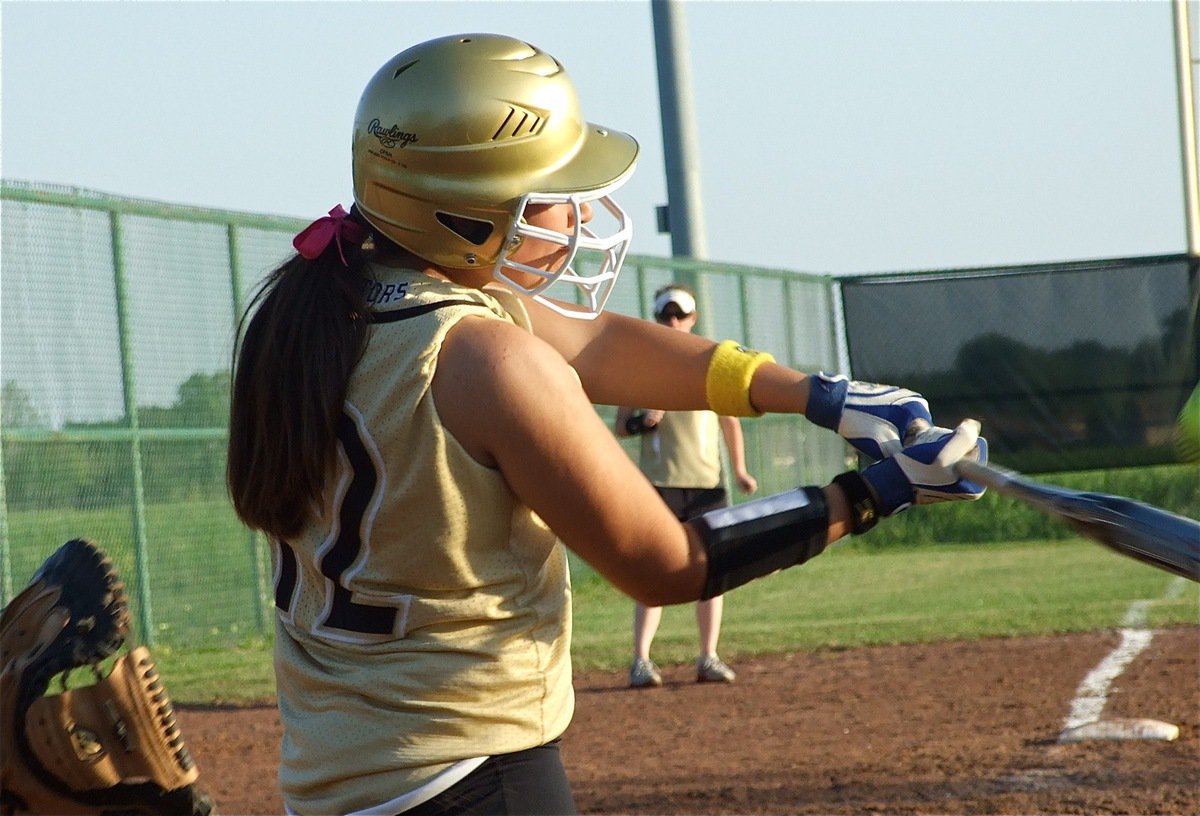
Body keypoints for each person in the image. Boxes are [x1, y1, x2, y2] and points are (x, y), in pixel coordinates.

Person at [226, 33, 988, 816]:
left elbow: (600, 343)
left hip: (331, 783)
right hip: (473, 777)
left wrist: (816, 394)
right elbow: (670, 563)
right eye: (554, 189)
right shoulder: (486, 356)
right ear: (463, 213)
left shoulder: (308, 314)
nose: (579, 212)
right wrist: (872, 494)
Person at [615, 284, 757, 687]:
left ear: (693, 319)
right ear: (657, 318)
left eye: (680, 315)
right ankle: (641, 661)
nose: (673, 322)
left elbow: (730, 421)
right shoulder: (642, 366)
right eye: (666, 315)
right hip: (659, 484)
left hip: (707, 483)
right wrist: (644, 422)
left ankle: (708, 656)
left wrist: (741, 470)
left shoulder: (712, 363)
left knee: (713, 572)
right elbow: (622, 426)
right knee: (651, 573)